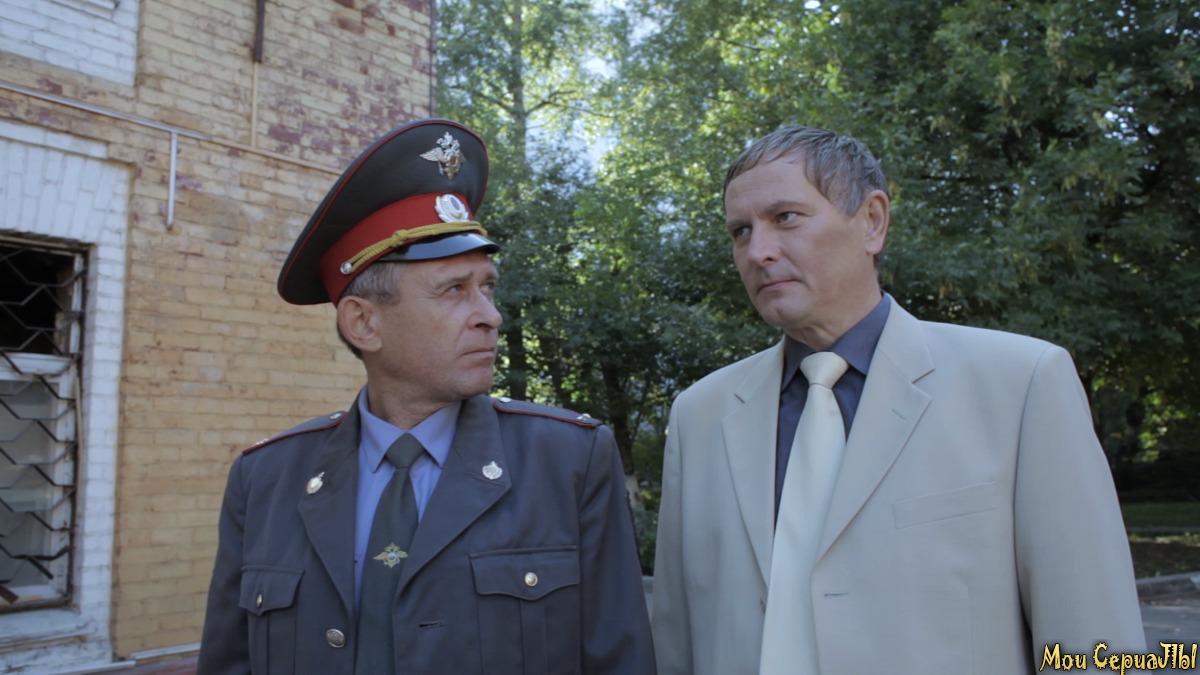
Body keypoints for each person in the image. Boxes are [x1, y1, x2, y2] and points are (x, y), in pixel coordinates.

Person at [649, 124, 1147, 674]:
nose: (758, 251)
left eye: (785, 217)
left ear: (872, 221)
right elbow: (676, 644)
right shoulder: (700, 415)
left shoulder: (1021, 384)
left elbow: (1096, 643)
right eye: (740, 231)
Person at [197, 118, 655, 675]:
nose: (490, 316)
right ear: (363, 323)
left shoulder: (568, 462)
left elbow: (620, 658)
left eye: (488, 287)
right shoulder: (265, 479)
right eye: (454, 290)